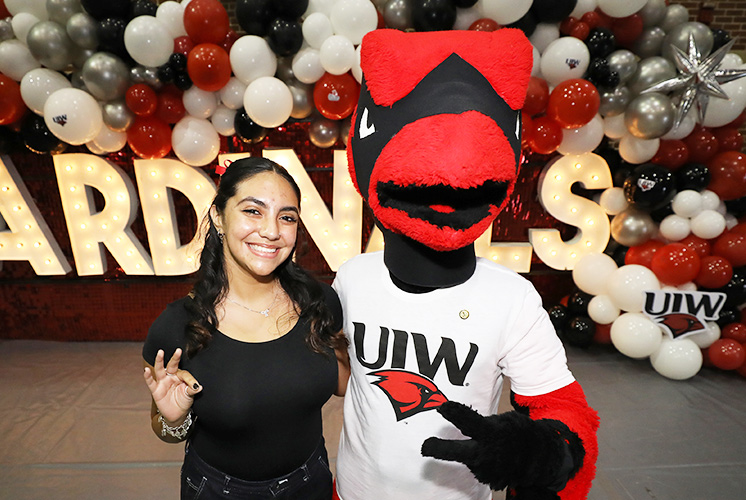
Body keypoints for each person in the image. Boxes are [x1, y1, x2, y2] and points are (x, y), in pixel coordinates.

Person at [332, 29, 598, 500]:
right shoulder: (353, 278)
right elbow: (343, 373)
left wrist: (543, 452)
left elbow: (561, 404)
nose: (446, 185)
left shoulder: (511, 297)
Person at [142, 156, 349, 500]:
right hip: (218, 491)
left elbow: (341, 384)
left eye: (286, 217)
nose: (271, 231)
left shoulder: (320, 302)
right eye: (253, 211)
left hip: (309, 482)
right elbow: (167, 430)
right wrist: (175, 418)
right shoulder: (179, 325)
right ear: (218, 217)